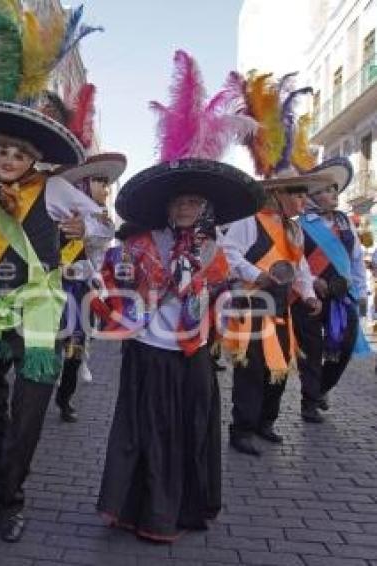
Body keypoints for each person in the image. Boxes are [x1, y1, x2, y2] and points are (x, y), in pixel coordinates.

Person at [93, 49, 263, 542]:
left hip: (192, 356)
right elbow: (114, 284)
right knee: (146, 434)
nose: (186, 207)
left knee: (188, 432)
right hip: (148, 351)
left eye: (194, 201)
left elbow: (223, 301)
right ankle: (144, 512)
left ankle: (183, 509)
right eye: (180, 201)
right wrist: (128, 291)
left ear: (206, 207)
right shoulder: (140, 244)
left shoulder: (216, 252)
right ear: (167, 208)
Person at [0, 98, 112, 542]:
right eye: (3, 152)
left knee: (28, 414)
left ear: (32, 159)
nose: (10, 160)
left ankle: (10, 499)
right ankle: (4, 471)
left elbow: (104, 225)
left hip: (40, 315)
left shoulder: (54, 190)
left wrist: (86, 230)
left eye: (19, 154)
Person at [221, 70, 324, 457]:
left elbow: (301, 269)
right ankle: (242, 429)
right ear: (279, 194)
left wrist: (308, 294)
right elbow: (229, 254)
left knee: (279, 369)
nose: (303, 201)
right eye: (297, 194)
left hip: (281, 309)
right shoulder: (250, 221)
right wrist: (257, 274)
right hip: (252, 307)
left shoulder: (294, 230)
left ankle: (266, 422)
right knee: (251, 370)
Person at [294, 157, 369, 423]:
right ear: (312, 197)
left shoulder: (346, 223)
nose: (333, 194)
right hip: (309, 297)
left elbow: (356, 261)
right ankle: (309, 403)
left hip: (342, 297)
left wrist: (360, 295)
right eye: (326, 190)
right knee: (312, 352)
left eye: (334, 189)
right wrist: (313, 280)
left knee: (344, 347)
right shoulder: (299, 225)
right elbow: (293, 260)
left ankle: (321, 389)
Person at [53, 153, 126, 423]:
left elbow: (102, 237)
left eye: (107, 184)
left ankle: (65, 396)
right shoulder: (55, 209)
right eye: (100, 182)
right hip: (48, 287)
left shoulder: (99, 220)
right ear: (83, 183)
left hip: (77, 291)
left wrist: (84, 227)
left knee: (75, 344)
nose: (106, 190)